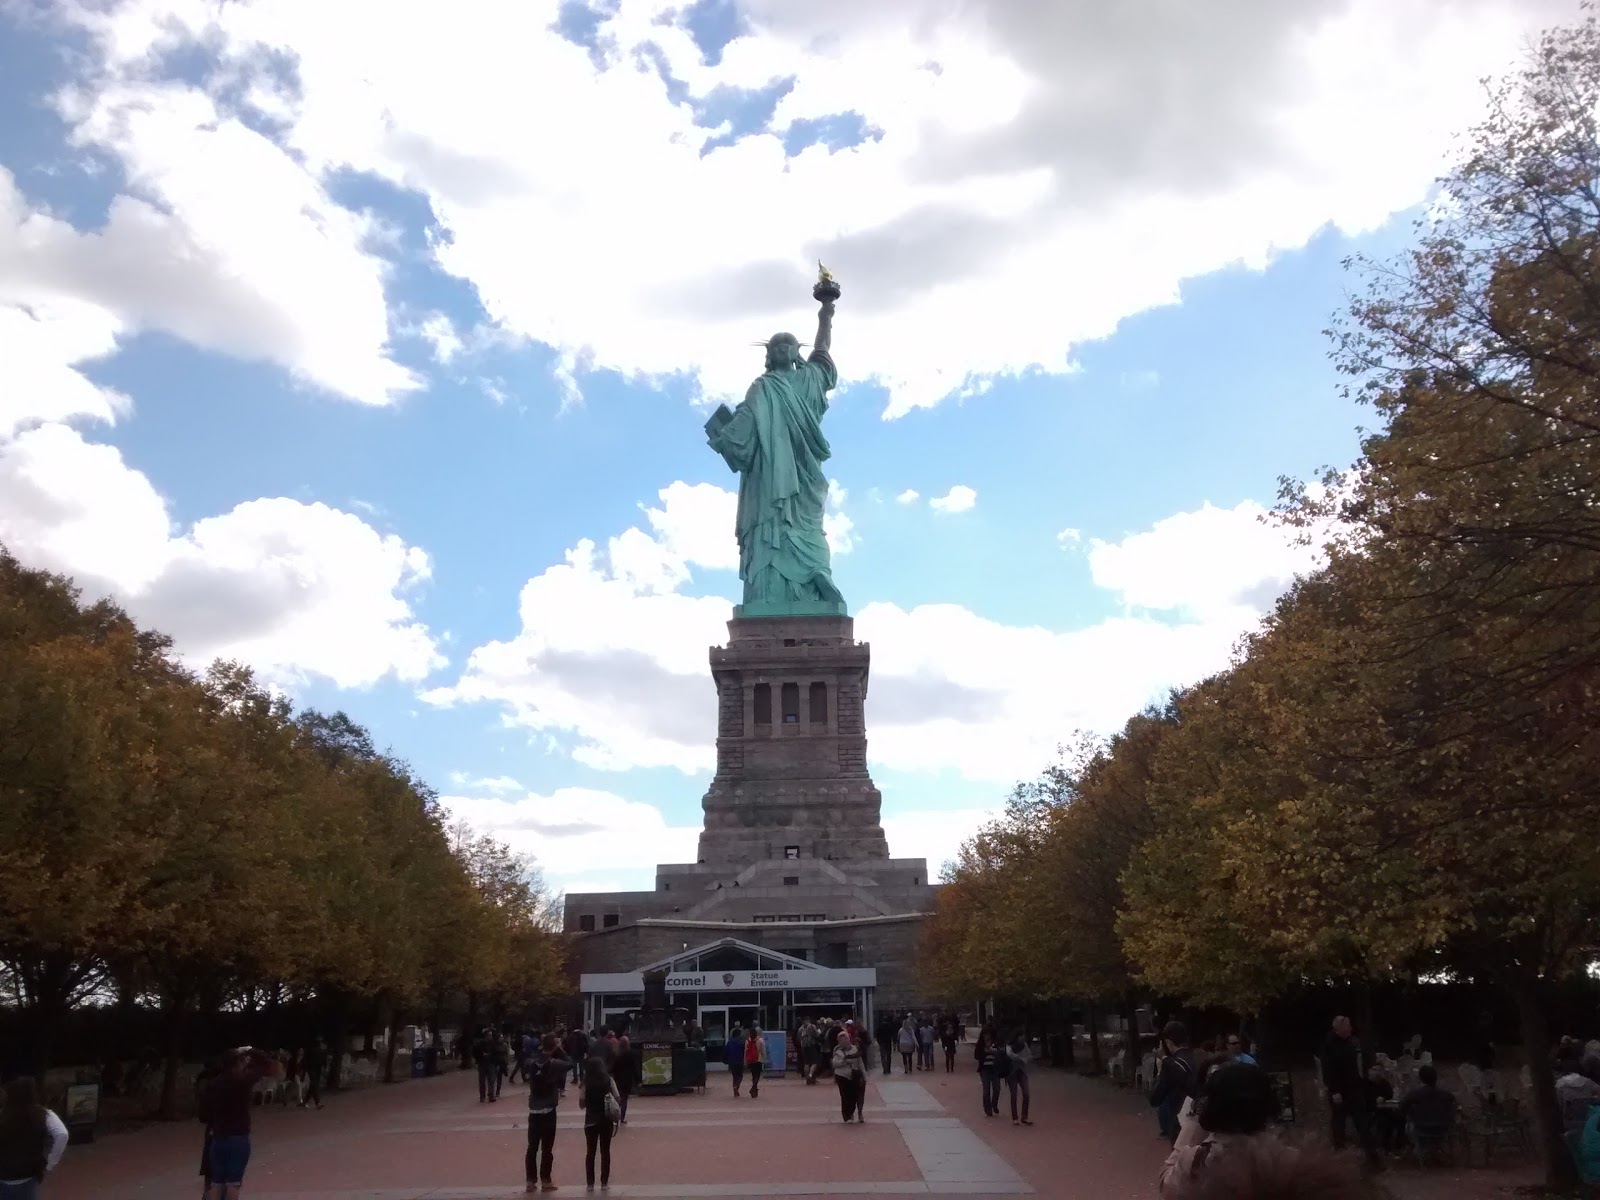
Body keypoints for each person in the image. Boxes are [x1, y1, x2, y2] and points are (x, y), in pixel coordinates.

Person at [1160, 1062, 1281, 1197]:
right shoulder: (1289, 1159)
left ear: (1212, 1104)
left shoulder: (1198, 1160)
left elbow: (1166, 1185)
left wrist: (1192, 1126)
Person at [202, 1046, 282, 1200]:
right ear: (237, 1063)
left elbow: (204, 1112)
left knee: (217, 1182)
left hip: (218, 1137)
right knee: (233, 1183)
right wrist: (250, 1050)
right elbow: (266, 1065)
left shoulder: (214, 1084)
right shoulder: (242, 1082)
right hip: (237, 1137)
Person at [1321, 1016, 1378, 1165]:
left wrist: (1368, 1071)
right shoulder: (1330, 1045)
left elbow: (1362, 1060)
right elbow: (1328, 1070)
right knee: (1339, 1123)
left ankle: (1373, 1157)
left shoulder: (1353, 1043)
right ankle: (1339, 1156)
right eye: (1347, 1026)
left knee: (1362, 1122)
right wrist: (1334, 1091)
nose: (1350, 1028)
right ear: (1338, 1028)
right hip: (1339, 1090)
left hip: (1355, 1089)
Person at [0, 1077, 69, 1200]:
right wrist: (50, 1164)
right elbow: (62, 1134)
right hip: (28, 1174)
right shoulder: (43, 1115)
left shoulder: (3, 1115)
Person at [524, 1033, 570, 1194]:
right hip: (549, 1109)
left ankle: (530, 1181)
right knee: (547, 1148)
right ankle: (546, 1180)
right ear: (554, 1047)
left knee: (532, 1147)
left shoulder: (532, 1062)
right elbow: (570, 1063)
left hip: (534, 1109)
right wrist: (560, 1050)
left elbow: (526, 1067)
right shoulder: (555, 1063)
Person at [1149, 1021, 1198, 1143]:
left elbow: (1155, 1097)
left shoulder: (1170, 1065)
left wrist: (1162, 1065)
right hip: (1201, 1120)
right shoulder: (1199, 1057)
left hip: (1180, 1121)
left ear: (1168, 1042)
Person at [581, 1054, 619, 1191]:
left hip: (590, 1120)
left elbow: (581, 1103)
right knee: (605, 1152)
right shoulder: (609, 1080)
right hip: (605, 1120)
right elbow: (617, 1097)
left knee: (590, 1152)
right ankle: (604, 1183)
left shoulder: (586, 1083)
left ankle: (590, 1184)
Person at [1398, 1064, 1458, 1137]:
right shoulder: (1448, 1095)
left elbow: (1402, 1108)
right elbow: (1453, 1111)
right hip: (1442, 1128)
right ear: (1436, 1078)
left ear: (1421, 1078)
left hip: (1420, 1128)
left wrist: (1411, 1114)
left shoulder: (1414, 1095)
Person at [832, 1028, 866, 1123]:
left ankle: (853, 1112)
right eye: (841, 1040)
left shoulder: (855, 1049)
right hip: (842, 1076)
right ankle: (847, 1116)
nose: (844, 1041)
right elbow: (834, 1064)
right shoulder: (837, 1050)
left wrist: (864, 1075)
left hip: (854, 1075)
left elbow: (860, 1063)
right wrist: (844, 1061)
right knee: (845, 1096)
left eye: (845, 1039)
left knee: (854, 1096)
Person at [1006, 1032, 1033, 1126]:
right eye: (1022, 1036)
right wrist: (1021, 1058)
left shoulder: (1024, 1045)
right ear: (1017, 1037)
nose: (1024, 1038)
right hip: (1011, 1072)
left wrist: (1026, 1059)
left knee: (1026, 1093)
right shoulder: (1009, 1046)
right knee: (1013, 1094)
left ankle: (1024, 1117)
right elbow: (1010, 1054)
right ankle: (1015, 1118)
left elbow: (1029, 1055)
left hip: (1022, 1071)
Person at [975, 1026, 1003, 1118]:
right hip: (984, 1070)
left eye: (988, 1034)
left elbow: (1001, 1054)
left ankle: (994, 1104)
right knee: (986, 1090)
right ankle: (988, 1109)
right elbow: (976, 1056)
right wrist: (985, 1052)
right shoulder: (980, 1044)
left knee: (997, 1088)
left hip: (995, 1069)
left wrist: (993, 1051)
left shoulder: (995, 1043)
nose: (986, 1036)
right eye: (985, 1034)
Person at [611, 1035, 635, 1126]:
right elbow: (633, 1068)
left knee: (618, 1097)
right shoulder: (629, 1054)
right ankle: (622, 1117)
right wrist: (637, 1080)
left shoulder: (616, 1054)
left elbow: (613, 1067)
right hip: (627, 1079)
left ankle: (616, 1115)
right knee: (624, 1099)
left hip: (618, 1079)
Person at [743, 1026, 768, 1099]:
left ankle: (755, 1091)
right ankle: (753, 1088)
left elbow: (745, 1052)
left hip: (750, 1060)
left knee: (754, 1075)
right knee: (757, 1076)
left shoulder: (747, 1041)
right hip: (758, 1060)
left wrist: (745, 1061)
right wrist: (765, 1059)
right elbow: (763, 1051)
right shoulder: (760, 1040)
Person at [726, 1024, 746, 1097]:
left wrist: (726, 1060)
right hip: (739, 1061)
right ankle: (736, 1086)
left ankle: (735, 1089)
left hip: (732, 1061)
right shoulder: (742, 1043)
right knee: (740, 1075)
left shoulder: (729, 1042)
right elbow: (744, 1052)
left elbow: (726, 1051)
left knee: (734, 1076)